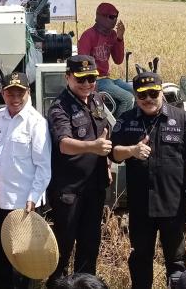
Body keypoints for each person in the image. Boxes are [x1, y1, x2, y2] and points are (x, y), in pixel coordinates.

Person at [110, 71, 186, 289]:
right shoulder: (126, 120)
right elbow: (114, 153)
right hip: (140, 207)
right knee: (140, 259)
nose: (148, 99)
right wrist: (132, 151)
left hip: (173, 205)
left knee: (176, 262)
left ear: (161, 91)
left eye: (153, 93)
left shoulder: (182, 119)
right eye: (142, 95)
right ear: (135, 96)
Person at [46, 55, 110, 286]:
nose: (86, 84)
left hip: (94, 186)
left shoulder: (96, 100)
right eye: (81, 79)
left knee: (90, 243)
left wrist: (107, 164)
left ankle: (86, 284)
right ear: (68, 77)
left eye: (91, 78)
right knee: (63, 245)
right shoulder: (59, 107)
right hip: (69, 190)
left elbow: (102, 133)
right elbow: (64, 144)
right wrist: (93, 147)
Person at [0, 72, 52, 289]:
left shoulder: (36, 123)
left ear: (28, 93)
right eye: (10, 93)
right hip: (1, 202)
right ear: (3, 94)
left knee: (25, 263)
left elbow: (43, 168)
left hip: (25, 205)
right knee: (0, 261)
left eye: (19, 93)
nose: (15, 98)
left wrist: (33, 198)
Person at [78, 2, 133, 118]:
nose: (115, 20)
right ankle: (119, 131)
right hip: (97, 80)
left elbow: (118, 60)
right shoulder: (88, 36)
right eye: (112, 17)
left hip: (107, 79)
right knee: (128, 99)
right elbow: (83, 65)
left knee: (139, 92)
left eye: (116, 17)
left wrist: (119, 38)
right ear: (101, 17)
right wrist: (93, 89)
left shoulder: (112, 35)